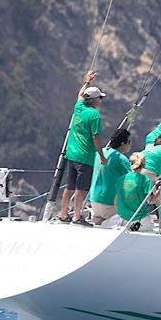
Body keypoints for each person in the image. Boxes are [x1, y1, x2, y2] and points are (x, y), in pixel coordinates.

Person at [59, 70, 108, 226]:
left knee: (69, 186)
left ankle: (63, 214)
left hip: (71, 154)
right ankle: (77, 217)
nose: (100, 101)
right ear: (94, 100)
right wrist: (101, 156)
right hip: (85, 156)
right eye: (100, 98)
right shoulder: (94, 115)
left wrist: (87, 81)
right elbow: (95, 137)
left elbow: (80, 95)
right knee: (81, 188)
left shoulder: (78, 107)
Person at [88, 128, 132, 225]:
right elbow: (131, 182)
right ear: (122, 143)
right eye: (129, 142)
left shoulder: (98, 154)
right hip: (109, 204)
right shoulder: (122, 159)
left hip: (94, 201)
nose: (130, 145)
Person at [114, 152, 158, 231]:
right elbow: (151, 201)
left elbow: (115, 202)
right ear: (144, 165)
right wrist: (160, 188)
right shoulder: (145, 179)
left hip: (122, 219)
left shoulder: (120, 179)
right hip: (139, 219)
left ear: (130, 163)